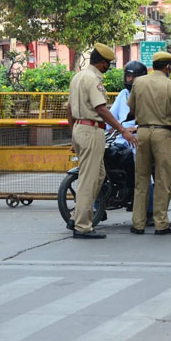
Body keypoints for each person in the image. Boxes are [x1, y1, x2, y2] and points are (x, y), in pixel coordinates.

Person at [66, 43, 136, 239]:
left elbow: (69, 109)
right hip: (91, 130)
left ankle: (76, 216)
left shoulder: (78, 77)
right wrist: (123, 129)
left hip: (80, 129)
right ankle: (82, 226)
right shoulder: (92, 79)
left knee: (98, 175)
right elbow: (102, 109)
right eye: (108, 64)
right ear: (102, 62)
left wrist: (73, 134)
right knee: (89, 179)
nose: (108, 67)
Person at [128, 51, 171, 235]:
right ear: (168, 67)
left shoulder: (139, 82)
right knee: (163, 178)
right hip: (162, 134)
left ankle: (138, 223)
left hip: (143, 132)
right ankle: (161, 223)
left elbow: (131, 110)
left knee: (141, 178)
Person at [107, 61, 154, 222]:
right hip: (121, 138)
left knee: (144, 172)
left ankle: (149, 210)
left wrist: (137, 127)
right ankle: (98, 205)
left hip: (140, 138)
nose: (131, 80)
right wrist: (105, 128)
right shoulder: (122, 94)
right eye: (129, 76)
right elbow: (111, 117)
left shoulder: (149, 94)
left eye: (135, 77)